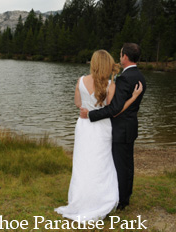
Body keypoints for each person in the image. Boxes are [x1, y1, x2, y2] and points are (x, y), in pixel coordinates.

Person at [54, 49, 142, 222]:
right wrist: (133, 97)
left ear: (93, 64)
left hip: (84, 126)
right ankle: (101, 199)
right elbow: (113, 110)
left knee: (83, 163)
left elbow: (78, 104)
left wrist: (87, 108)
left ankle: (80, 199)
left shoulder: (80, 80)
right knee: (102, 163)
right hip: (101, 127)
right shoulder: (110, 85)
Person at [80, 43, 146, 210]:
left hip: (121, 129)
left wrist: (91, 115)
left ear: (124, 57)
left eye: (121, 53)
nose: (119, 56)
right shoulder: (140, 76)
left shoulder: (125, 78)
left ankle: (122, 201)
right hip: (130, 127)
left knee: (121, 166)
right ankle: (125, 196)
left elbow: (115, 109)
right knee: (127, 164)